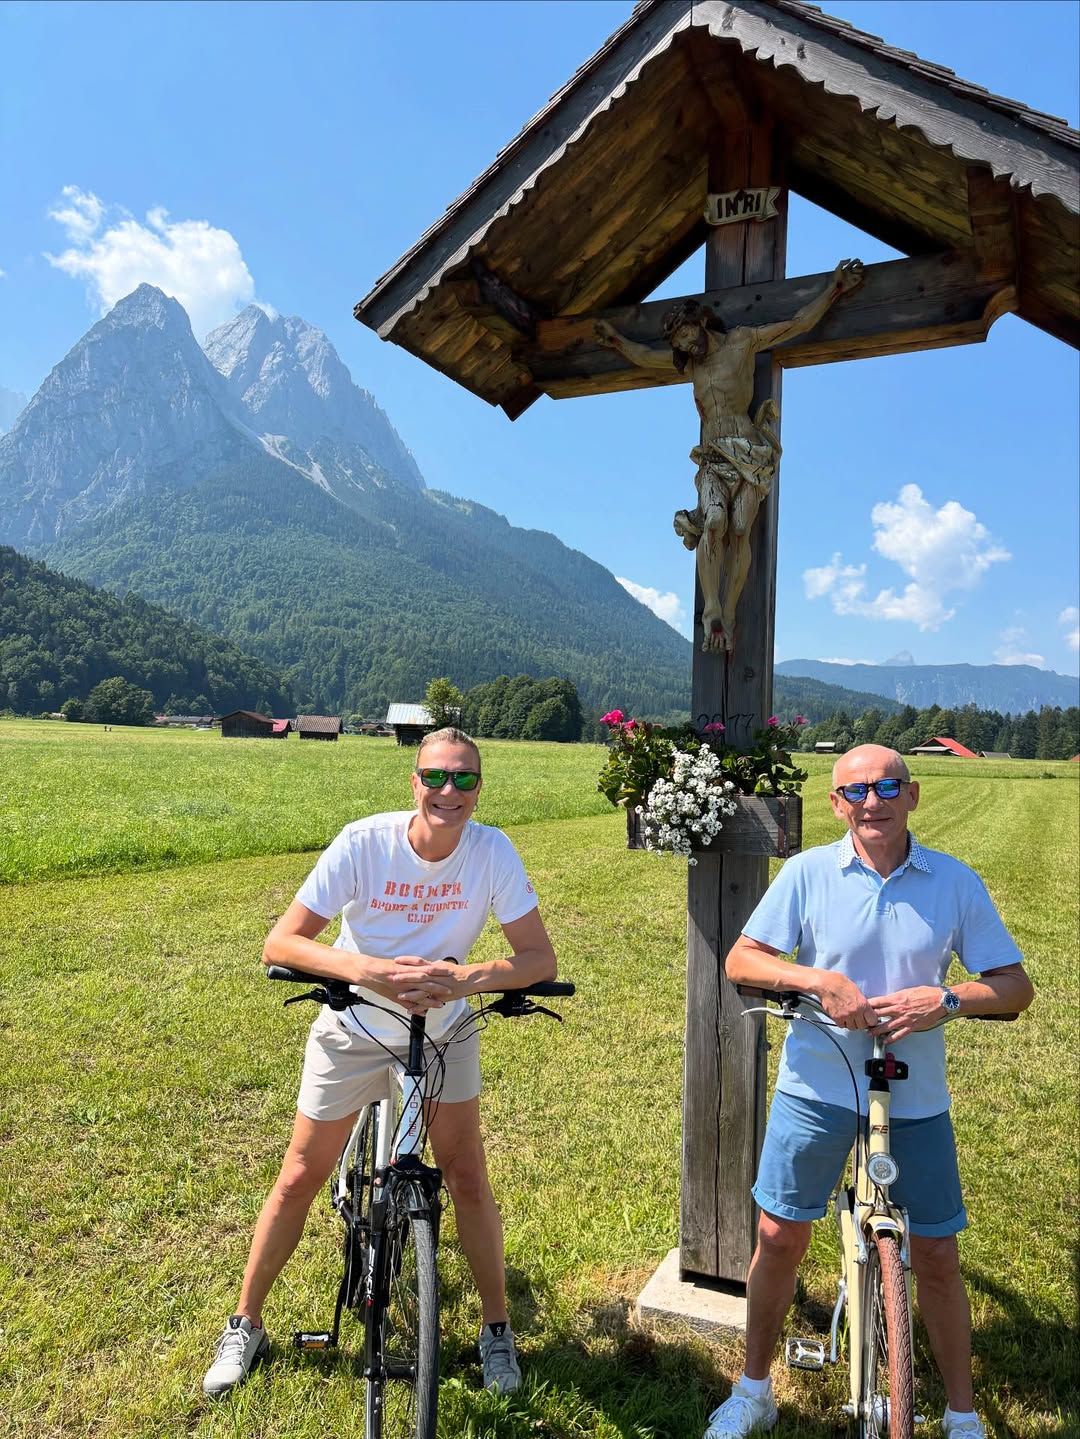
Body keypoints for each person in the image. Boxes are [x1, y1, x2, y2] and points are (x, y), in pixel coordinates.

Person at [203, 727, 557, 1398]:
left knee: (468, 1178)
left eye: (464, 779)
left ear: (480, 788)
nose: (448, 791)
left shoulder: (491, 851)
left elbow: (540, 958)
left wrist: (466, 977)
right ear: (413, 781)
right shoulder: (364, 842)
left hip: (443, 1028)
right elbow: (280, 940)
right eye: (435, 776)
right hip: (354, 1024)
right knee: (301, 1172)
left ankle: (496, 1329)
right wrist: (366, 968)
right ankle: (245, 1322)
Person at [703, 744, 1033, 1439]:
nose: (871, 800)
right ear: (836, 804)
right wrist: (816, 980)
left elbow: (1014, 987)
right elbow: (743, 957)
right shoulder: (808, 873)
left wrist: (946, 997)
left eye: (887, 785)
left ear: (912, 794)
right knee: (778, 1232)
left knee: (938, 1254)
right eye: (854, 790)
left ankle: (962, 1413)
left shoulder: (953, 881)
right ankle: (754, 1387)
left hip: (913, 1094)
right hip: (817, 1080)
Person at [595, 260, 863, 652]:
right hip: (713, 455)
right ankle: (712, 611)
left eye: (688, 336)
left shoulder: (741, 342)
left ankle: (730, 614)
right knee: (715, 521)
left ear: (700, 322)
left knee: (739, 528)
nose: (687, 347)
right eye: (680, 345)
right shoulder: (691, 369)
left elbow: (799, 323)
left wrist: (836, 286)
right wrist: (613, 339)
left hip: (750, 451)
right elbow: (640, 356)